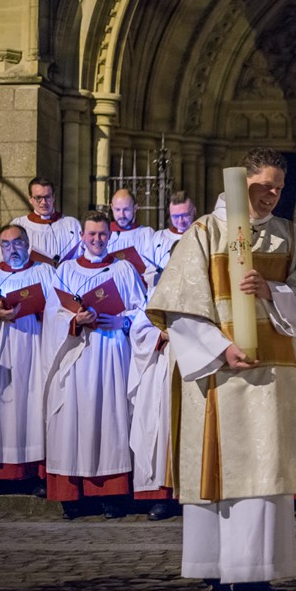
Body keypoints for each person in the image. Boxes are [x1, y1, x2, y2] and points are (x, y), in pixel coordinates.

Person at [146, 147, 296, 591]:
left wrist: (273, 290)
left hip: (273, 375)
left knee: (268, 475)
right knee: (225, 474)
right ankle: (220, 573)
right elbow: (180, 310)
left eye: (279, 188)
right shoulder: (204, 233)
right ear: (242, 183)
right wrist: (221, 348)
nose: (272, 196)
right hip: (221, 376)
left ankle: (258, 574)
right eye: (264, 187)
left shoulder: (288, 236)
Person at [42, 211, 147, 519]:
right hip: (77, 354)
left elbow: (143, 311)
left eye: (102, 234)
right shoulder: (66, 270)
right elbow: (52, 311)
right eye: (92, 234)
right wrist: (74, 319)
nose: (97, 239)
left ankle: (110, 495)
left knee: (109, 418)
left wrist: (121, 319)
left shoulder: (124, 269)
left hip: (111, 352)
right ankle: (72, 497)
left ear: (110, 236)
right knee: (73, 417)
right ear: (82, 237)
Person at [0, 225, 57, 490]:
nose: (12, 249)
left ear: (27, 244)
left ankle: (33, 473)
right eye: (5, 244)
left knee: (32, 406)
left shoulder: (44, 272)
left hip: (34, 347)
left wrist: (40, 310)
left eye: (17, 243)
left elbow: (60, 309)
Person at [129, 193, 197, 520]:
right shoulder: (154, 293)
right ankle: (162, 496)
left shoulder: (202, 294)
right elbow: (139, 329)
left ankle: (195, 494)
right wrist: (161, 334)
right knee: (161, 431)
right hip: (164, 368)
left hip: (193, 370)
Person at [7, 177, 81, 264]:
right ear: (30, 199)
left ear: (53, 197)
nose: (43, 202)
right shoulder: (19, 225)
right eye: (38, 198)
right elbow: (7, 258)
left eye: (47, 197)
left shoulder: (71, 224)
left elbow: (81, 256)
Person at [148, 192, 197, 287]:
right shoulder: (159, 237)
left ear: (194, 211)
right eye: (175, 216)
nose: (180, 221)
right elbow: (148, 271)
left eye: (185, 215)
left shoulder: (201, 235)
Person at [107, 188, 156, 282]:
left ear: (135, 208)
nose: (121, 215)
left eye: (126, 209)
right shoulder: (105, 235)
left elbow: (154, 269)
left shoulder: (147, 235)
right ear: (112, 207)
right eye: (117, 209)